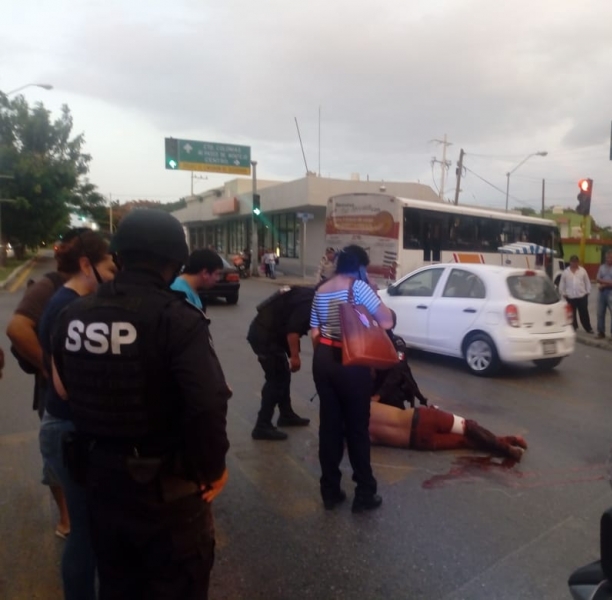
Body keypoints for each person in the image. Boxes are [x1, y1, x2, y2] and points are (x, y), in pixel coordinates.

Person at [50, 209, 231, 599]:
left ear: (118, 256)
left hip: (101, 484)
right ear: (175, 261)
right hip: (165, 491)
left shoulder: (72, 315)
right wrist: (213, 469)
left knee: (118, 586)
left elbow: (65, 387)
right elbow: (208, 402)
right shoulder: (176, 318)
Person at [38, 229, 118, 599]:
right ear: (87, 266)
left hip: (69, 426)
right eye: (109, 269)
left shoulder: (71, 304)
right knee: (85, 533)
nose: (114, 277)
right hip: (67, 428)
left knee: (91, 529)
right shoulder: (66, 310)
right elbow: (64, 386)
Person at [310, 245, 393, 512]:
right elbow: (387, 322)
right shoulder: (359, 287)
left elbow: (314, 331)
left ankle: (330, 491)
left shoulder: (321, 289)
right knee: (357, 429)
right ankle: (365, 493)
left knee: (329, 427)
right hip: (351, 362)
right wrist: (372, 291)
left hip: (323, 359)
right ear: (359, 267)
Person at [6, 237, 75, 539]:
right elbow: (17, 329)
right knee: (57, 452)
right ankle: (66, 516)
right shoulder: (49, 287)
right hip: (53, 391)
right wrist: (49, 369)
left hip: (84, 390)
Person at [247, 286, 315, 440]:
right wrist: (295, 357)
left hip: (268, 333)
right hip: (265, 336)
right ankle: (262, 425)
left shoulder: (306, 292)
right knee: (276, 379)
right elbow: (293, 331)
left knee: (283, 374)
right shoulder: (311, 301)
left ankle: (286, 414)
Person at [368, 402, 527, 460]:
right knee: (468, 428)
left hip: (417, 441)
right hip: (422, 417)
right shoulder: (364, 402)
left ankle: (509, 445)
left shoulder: (358, 432)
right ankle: (509, 444)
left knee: (467, 441)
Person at [558, 255, 593, 333]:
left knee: (584, 313)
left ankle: (588, 328)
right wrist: (563, 293)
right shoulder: (565, 272)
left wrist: (588, 292)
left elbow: (587, 282)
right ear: (570, 262)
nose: (574, 263)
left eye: (575, 262)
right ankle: (574, 327)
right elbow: (562, 284)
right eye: (572, 262)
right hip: (570, 296)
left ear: (578, 262)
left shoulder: (582, 271)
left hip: (582, 296)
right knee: (572, 313)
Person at [595, 250, 612, 341]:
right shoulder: (602, 267)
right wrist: (607, 283)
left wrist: (603, 284)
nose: (609, 259)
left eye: (611, 257)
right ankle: (601, 332)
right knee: (600, 313)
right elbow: (597, 279)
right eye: (607, 258)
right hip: (602, 292)